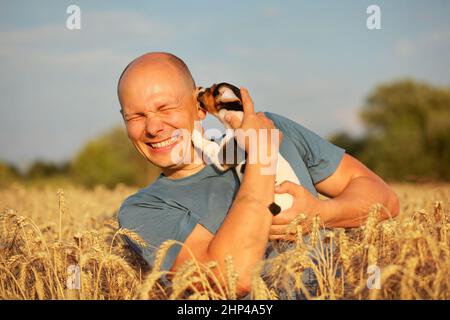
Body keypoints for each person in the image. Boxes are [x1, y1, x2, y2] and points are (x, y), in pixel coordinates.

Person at [116, 52, 400, 298]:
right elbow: (230, 279)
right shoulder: (142, 210)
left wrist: (321, 214)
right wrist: (263, 156)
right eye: (136, 117)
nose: (153, 128)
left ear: (199, 107)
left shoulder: (273, 128)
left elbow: (385, 199)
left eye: (165, 108)